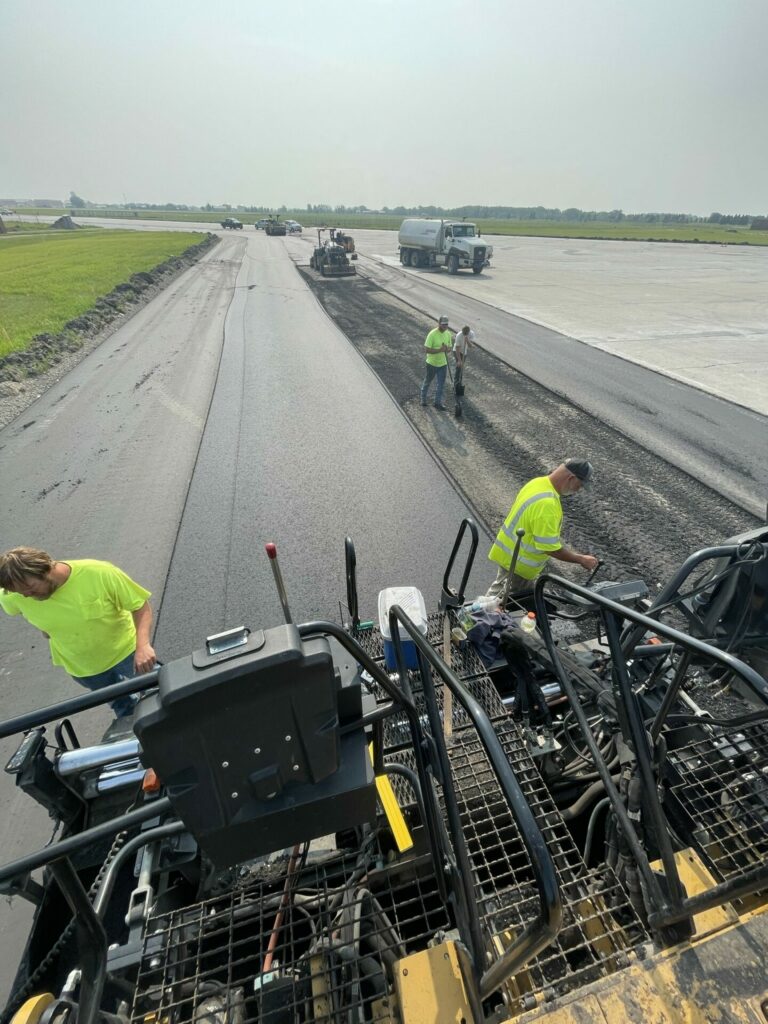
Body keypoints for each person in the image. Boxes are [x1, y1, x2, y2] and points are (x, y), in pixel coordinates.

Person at [0, 548, 156, 718]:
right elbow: (20, 609)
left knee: (160, 692)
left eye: (30, 588)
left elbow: (140, 606)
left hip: (129, 653)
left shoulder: (98, 573)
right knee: (123, 708)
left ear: (46, 568)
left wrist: (143, 645)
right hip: (83, 667)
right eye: (20, 593)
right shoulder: (14, 595)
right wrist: (46, 627)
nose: (27, 596)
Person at [487, 460, 599, 599]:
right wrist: (581, 559)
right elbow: (550, 548)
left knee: (501, 599)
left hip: (511, 555)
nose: (578, 490)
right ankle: (469, 618)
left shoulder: (538, 483)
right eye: (580, 485)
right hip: (519, 565)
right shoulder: (547, 504)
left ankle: (471, 616)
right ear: (571, 478)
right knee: (498, 605)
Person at [420, 315, 452, 409]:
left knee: (441, 384)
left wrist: (447, 349)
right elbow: (427, 350)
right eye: (443, 324)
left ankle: (437, 403)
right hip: (432, 364)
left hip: (443, 364)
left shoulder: (448, 334)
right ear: (439, 323)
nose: (445, 326)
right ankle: (423, 400)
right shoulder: (432, 334)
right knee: (428, 381)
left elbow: (449, 348)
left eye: (446, 324)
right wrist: (440, 350)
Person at [453, 325, 475, 389]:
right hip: (457, 351)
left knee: (461, 368)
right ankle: (456, 383)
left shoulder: (471, 334)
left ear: (468, 332)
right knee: (459, 366)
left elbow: (470, 346)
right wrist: (459, 360)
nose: (464, 334)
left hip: (464, 352)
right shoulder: (459, 336)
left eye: (466, 333)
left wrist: (467, 340)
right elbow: (457, 348)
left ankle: (459, 382)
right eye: (463, 333)